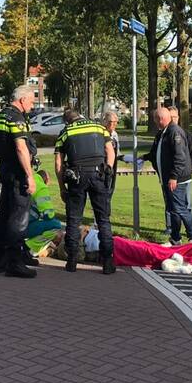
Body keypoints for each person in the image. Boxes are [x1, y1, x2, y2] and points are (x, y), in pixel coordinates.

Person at [55, 108, 116, 274]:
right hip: (99, 175)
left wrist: (62, 187)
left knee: (74, 220)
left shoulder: (65, 132)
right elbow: (110, 150)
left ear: (67, 121)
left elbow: (58, 163)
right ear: (80, 116)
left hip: (77, 177)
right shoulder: (99, 127)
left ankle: (72, 261)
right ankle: (108, 262)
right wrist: (108, 169)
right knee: (103, 219)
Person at [0, 86, 39, 278]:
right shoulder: (17, 118)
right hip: (17, 170)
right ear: (22, 100)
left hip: (5, 167)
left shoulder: (2, 115)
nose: (32, 105)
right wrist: (29, 175)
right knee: (19, 215)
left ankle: (1, 257)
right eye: (31, 101)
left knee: (5, 211)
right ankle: (14, 261)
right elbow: (21, 148)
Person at [143, 107, 192, 247]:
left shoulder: (175, 132)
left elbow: (180, 157)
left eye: (156, 119)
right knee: (174, 209)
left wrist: (174, 177)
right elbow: (157, 152)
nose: (155, 122)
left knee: (180, 208)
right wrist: (142, 158)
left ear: (161, 119)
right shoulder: (163, 133)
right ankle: (175, 238)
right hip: (167, 178)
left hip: (177, 180)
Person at [25, 170, 64, 257]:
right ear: (47, 180)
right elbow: (48, 215)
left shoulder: (28, 180)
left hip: (14, 224)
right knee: (55, 225)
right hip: (24, 226)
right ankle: (28, 247)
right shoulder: (41, 188)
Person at [168, 107, 192, 212]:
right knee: (170, 205)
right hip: (169, 177)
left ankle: (189, 228)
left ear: (178, 117)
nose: (173, 120)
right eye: (170, 117)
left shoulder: (185, 134)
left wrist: (188, 167)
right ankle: (170, 227)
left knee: (187, 205)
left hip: (184, 177)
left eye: (175, 117)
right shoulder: (164, 135)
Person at [100, 111, 120, 195]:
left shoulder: (115, 134)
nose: (114, 125)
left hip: (113, 166)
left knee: (111, 188)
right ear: (105, 122)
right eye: (112, 122)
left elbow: (117, 151)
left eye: (116, 122)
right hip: (103, 165)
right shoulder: (101, 133)